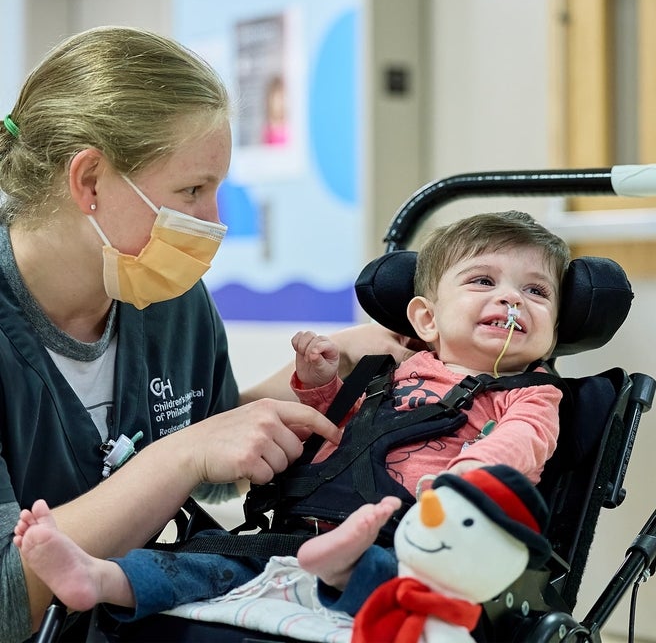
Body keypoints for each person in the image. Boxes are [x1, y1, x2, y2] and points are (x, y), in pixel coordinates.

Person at [0, 26, 410, 643]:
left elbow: (205, 454)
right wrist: (185, 454)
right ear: (89, 182)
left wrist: (306, 384)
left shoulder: (166, 297)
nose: (214, 220)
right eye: (192, 189)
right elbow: (8, 600)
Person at [13, 210, 570, 623]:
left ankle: (342, 568)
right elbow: (334, 436)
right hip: (296, 535)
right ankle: (97, 577)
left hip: (408, 547)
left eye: (536, 291)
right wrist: (323, 383)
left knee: (391, 585)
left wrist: (457, 487)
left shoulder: (530, 397)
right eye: (483, 282)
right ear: (426, 317)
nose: (512, 300)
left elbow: (515, 450)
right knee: (203, 562)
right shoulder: (394, 369)